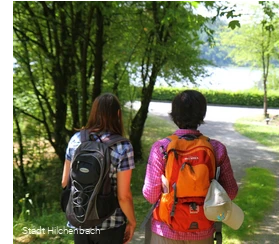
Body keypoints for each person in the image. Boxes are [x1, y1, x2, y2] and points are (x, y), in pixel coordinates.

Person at [142, 89, 239, 243]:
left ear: (174, 115)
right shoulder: (216, 148)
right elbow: (231, 192)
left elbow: (150, 195)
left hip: (166, 230)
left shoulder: (161, 148)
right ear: (202, 115)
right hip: (202, 230)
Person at [61, 93, 137, 244]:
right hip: (111, 223)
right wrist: (132, 221)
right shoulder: (123, 146)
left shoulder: (76, 140)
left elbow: (64, 182)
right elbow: (124, 196)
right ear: (118, 114)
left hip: (80, 219)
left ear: (94, 113)